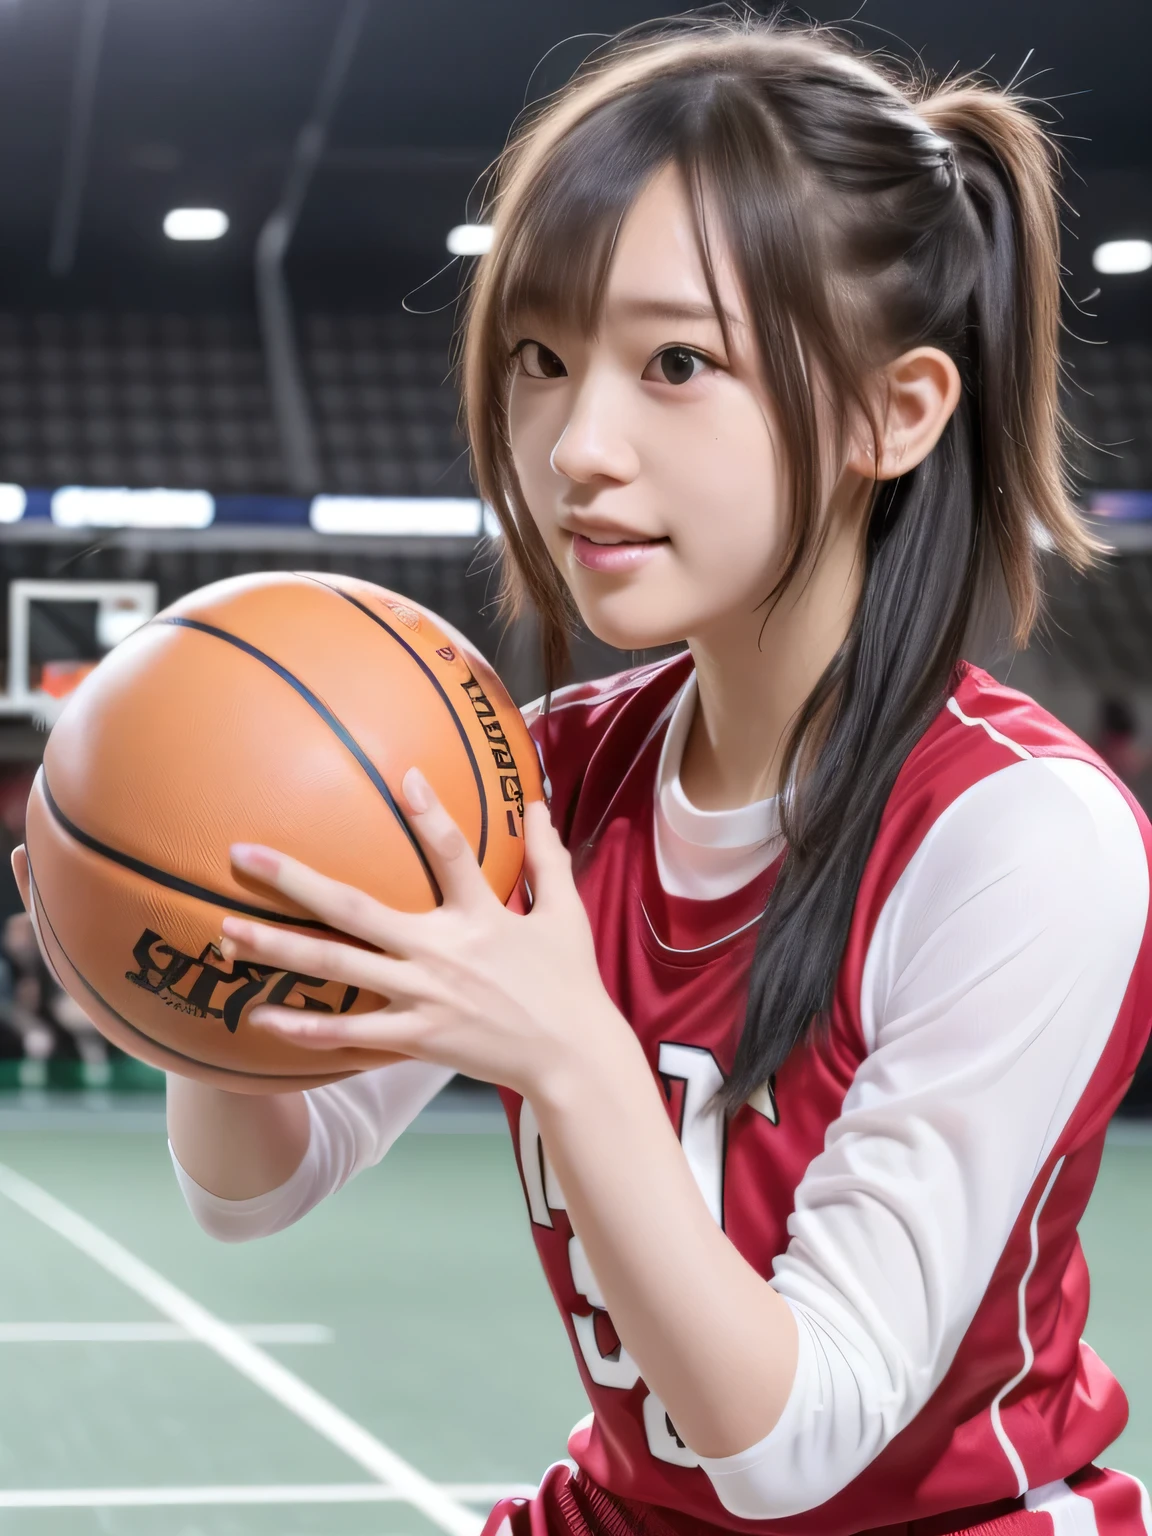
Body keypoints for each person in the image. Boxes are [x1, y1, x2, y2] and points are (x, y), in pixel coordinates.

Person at [142, 17, 1152, 1536]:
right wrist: (191, 970)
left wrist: (572, 1053)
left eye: (678, 362)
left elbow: (794, 1446)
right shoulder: (535, 769)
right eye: (543, 359)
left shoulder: (1023, 836)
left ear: (899, 410)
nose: (575, 447)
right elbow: (259, 1186)